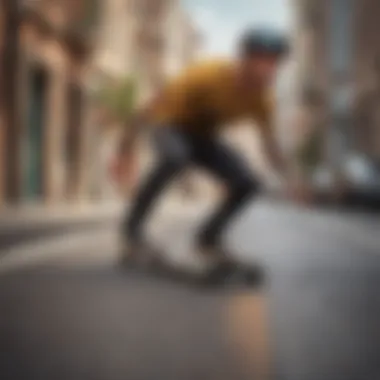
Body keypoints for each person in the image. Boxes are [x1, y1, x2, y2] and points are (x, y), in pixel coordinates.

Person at [117, 27, 295, 275]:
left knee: (248, 182)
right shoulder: (207, 74)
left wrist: (292, 179)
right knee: (174, 158)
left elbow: (270, 144)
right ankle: (132, 234)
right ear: (244, 59)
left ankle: (207, 240)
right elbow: (151, 105)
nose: (268, 69)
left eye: (274, 63)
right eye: (261, 61)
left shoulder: (263, 100)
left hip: (203, 137)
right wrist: (125, 150)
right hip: (169, 124)